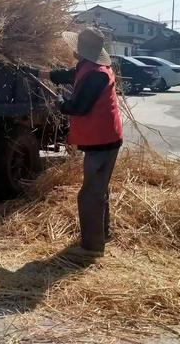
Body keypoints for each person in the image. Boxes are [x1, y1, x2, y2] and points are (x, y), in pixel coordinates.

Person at [39, 28, 123, 260]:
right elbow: (67, 74)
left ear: (80, 50)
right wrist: (39, 73)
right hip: (106, 137)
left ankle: (91, 249)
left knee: (89, 195)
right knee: (99, 190)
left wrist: (60, 102)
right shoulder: (89, 67)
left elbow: (78, 107)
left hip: (102, 141)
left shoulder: (96, 74)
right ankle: (102, 235)